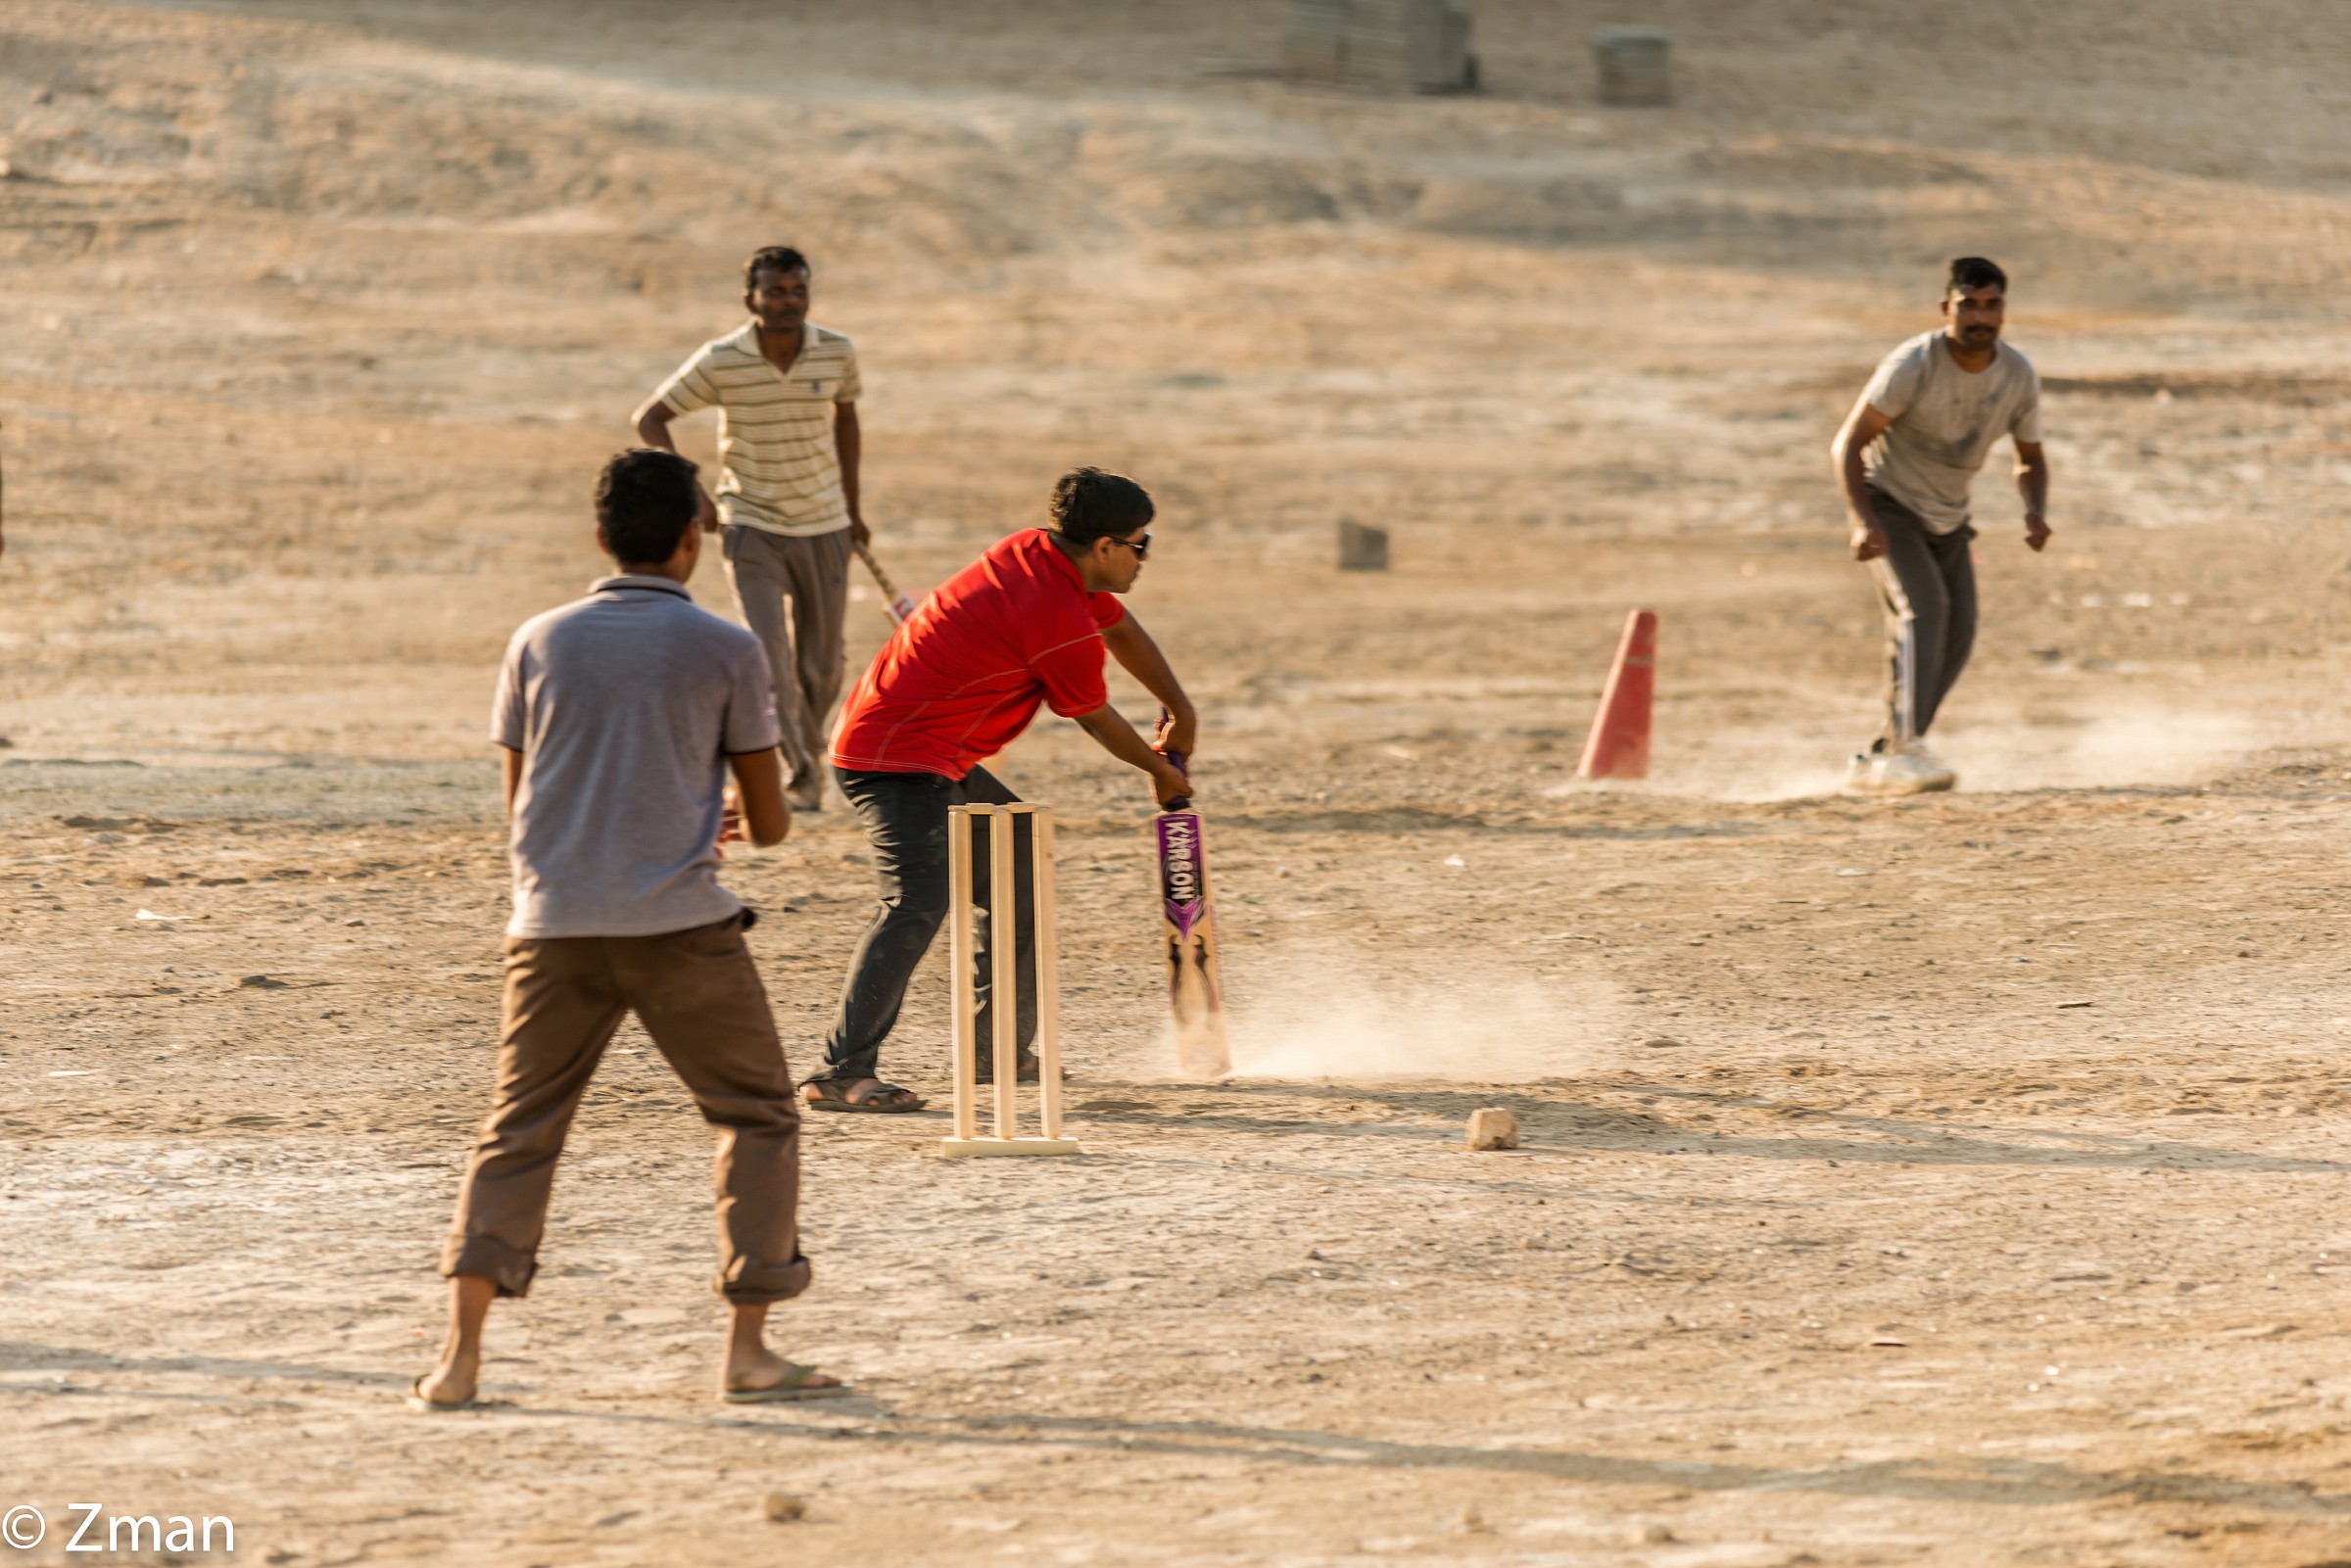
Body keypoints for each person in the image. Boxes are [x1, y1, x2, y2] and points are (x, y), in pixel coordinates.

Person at [412, 448, 845, 1410]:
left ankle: (459, 1360)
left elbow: (524, 804)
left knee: (519, 1127)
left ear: (600, 535)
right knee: (758, 1113)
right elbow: (772, 823)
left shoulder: (539, 639)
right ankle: (750, 1347)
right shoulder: (726, 647)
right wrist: (716, 812)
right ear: (693, 539)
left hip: (553, 921)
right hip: (680, 925)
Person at [804, 468, 1197, 1114]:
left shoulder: (1039, 555)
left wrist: (1180, 707)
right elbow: (1094, 715)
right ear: (1103, 547)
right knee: (916, 902)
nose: (1143, 557)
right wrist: (1160, 773)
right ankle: (840, 1071)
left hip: (932, 751)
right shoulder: (1053, 610)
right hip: (893, 757)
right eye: (1139, 543)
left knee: (1018, 863)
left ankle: (1000, 1050)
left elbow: (1120, 628)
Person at [633, 246, 866, 814]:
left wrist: (854, 511)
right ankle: (803, 771)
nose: (788, 301)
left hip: (826, 523)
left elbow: (848, 420)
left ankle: (807, 748)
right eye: (775, 291)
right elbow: (651, 419)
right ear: (751, 299)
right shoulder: (723, 359)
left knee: (823, 663)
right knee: (768, 654)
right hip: (751, 524)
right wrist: (695, 492)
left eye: (797, 290)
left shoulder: (836, 352)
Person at [1831, 257, 2051, 795]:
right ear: (1945, 308)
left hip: (1949, 517)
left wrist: (2035, 509)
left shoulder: (2017, 374)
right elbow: (1848, 444)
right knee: (1923, 612)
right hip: (1890, 505)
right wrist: (1864, 521)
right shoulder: (1914, 364)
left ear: (2004, 309)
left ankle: (1887, 751)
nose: (1981, 317)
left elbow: (2030, 456)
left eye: (1992, 305)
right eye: (1968, 306)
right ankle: (1903, 746)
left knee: (1960, 630)